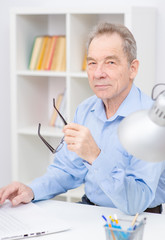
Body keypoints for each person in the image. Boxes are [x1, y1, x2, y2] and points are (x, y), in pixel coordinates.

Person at [0, 22, 165, 215]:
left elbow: (137, 201)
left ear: (133, 69)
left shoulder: (153, 122)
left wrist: (95, 156)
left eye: (110, 62)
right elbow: (68, 170)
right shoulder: (86, 109)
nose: (98, 73)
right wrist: (32, 190)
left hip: (138, 219)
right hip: (91, 211)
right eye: (92, 63)